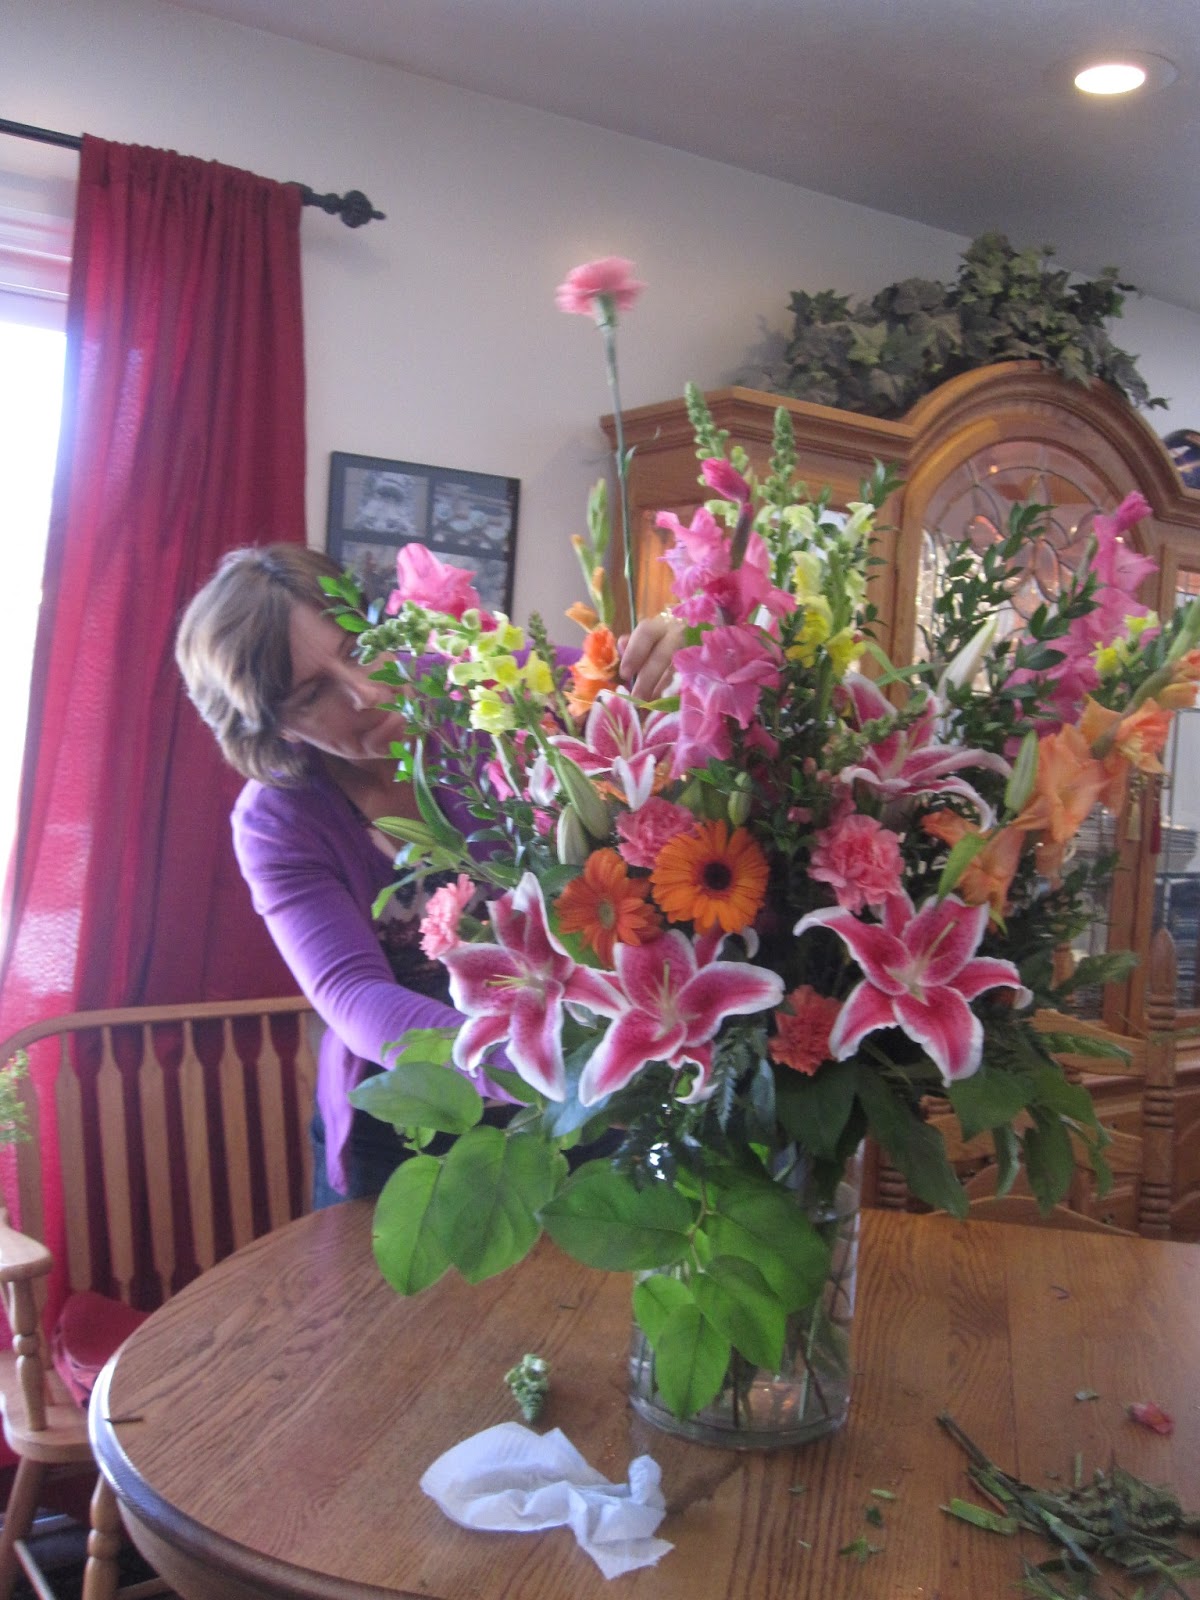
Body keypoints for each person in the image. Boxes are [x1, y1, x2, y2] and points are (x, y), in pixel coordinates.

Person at [175, 543, 680, 1206]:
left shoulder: (496, 684)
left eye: (357, 647)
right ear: (274, 729)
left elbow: (617, 677)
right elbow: (357, 999)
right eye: (311, 694)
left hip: (584, 1095)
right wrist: (552, 1065)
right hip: (416, 1119)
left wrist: (676, 649)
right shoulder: (279, 824)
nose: (365, 691)